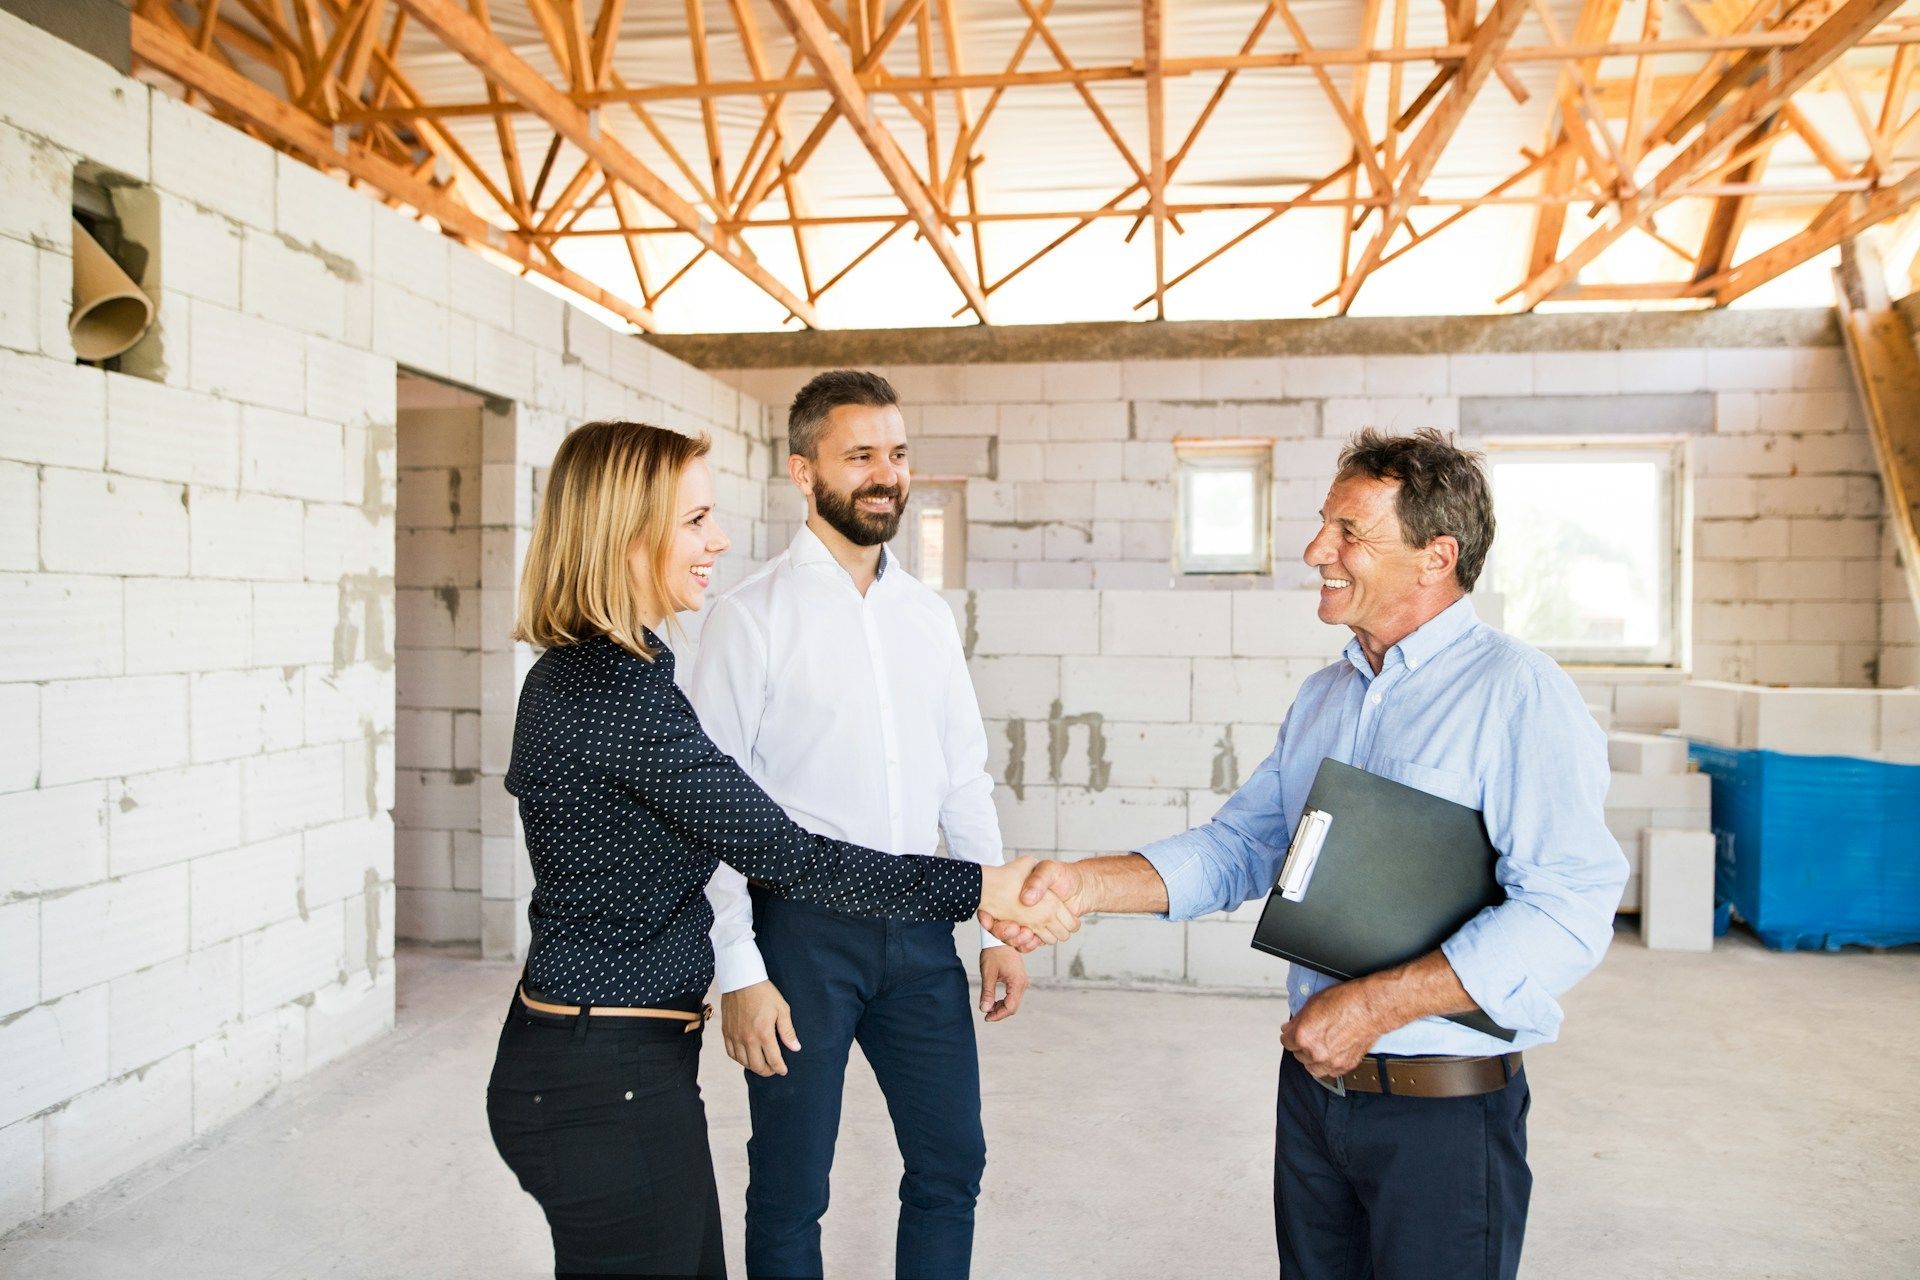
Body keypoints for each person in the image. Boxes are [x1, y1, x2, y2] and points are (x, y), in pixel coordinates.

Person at [987, 428, 1628, 1280]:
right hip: (1317, 1098)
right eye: (1324, 524)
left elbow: (1569, 906)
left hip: (1441, 1116)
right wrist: (1081, 883)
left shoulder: (1518, 692)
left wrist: (1371, 1008)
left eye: (1349, 533)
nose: (1315, 550)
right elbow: (1243, 847)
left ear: (1437, 556)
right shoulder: (1328, 693)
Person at [486, 419, 1078, 1278]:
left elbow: (951, 778)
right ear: (626, 532)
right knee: (781, 1194)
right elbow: (789, 853)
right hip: (599, 1075)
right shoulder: (614, 693)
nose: (717, 539)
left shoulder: (616, 673)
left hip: (617, 1061)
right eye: (695, 520)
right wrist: (980, 887)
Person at [691, 371, 1019, 1280]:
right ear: (804, 472)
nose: (887, 475)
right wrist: (740, 971)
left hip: (922, 935)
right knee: (793, 1186)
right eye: (861, 455)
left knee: (953, 1163)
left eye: (899, 454)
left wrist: (997, 924)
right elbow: (710, 817)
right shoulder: (747, 619)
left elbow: (964, 778)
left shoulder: (928, 616)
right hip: (801, 943)